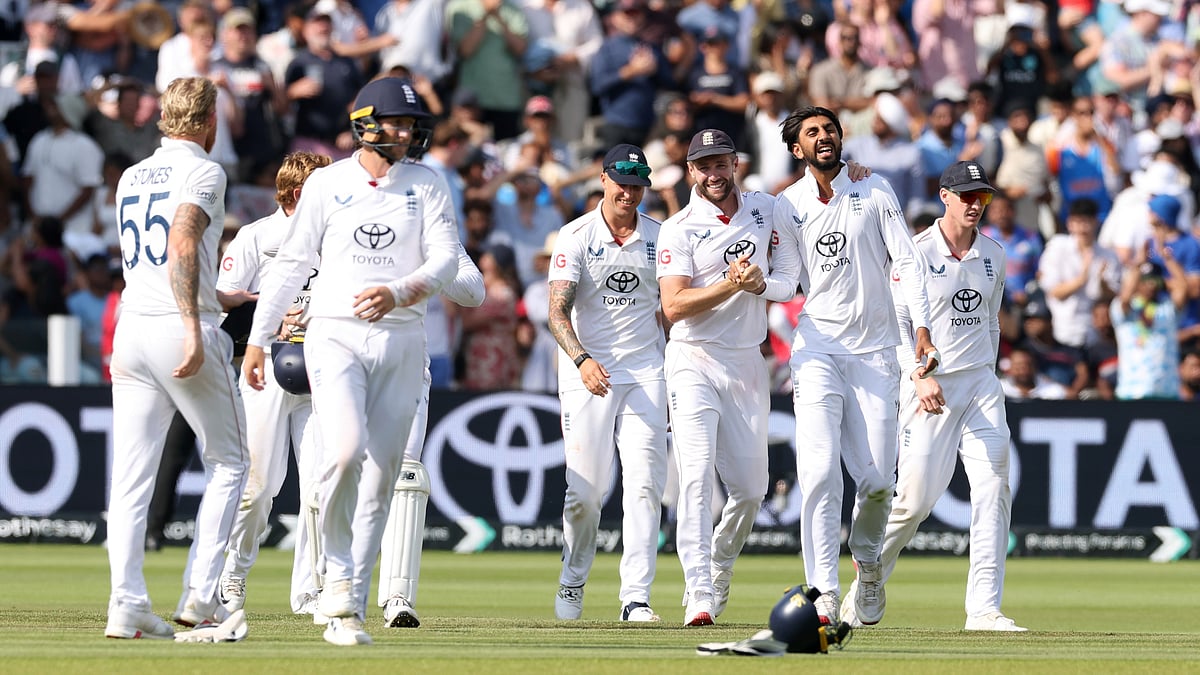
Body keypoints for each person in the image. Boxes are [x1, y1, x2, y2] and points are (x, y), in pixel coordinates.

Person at [242, 77, 459, 647]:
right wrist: (259, 340)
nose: (407, 132)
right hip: (334, 333)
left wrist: (401, 290)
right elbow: (291, 264)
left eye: (412, 124)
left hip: (403, 338)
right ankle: (336, 583)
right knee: (341, 454)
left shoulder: (428, 185)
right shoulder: (329, 184)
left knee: (385, 471)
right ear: (366, 123)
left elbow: (444, 262)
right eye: (397, 123)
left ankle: (351, 601)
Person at [840, 160, 1025, 632]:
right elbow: (897, 323)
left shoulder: (994, 254)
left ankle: (983, 609)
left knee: (992, 491)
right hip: (930, 384)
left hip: (981, 384)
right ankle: (869, 573)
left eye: (980, 196)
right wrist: (917, 377)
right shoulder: (916, 252)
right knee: (916, 501)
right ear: (944, 196)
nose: (974, 204)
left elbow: (990, 319)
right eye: (965, 195)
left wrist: (989, 370)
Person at [777, 106, 937, 626]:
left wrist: (921, 328)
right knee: (820, 472)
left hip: (875, 354)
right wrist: (755, 284)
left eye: (829, 129)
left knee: (877, 485)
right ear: (797, 149)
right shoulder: (787, 204)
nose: (824, 137)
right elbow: (786, 282)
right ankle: (822, 590)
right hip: (818, 350)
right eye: (812, 133)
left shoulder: (874, 189)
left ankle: (867, 564)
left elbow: (908, 262)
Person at [105, 77, 250, 640]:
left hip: (132, 328)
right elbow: (184, 241)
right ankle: (200, 599)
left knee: (130, 477)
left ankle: (126, 604)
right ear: (210, 121)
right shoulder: (205, 170)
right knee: (232, 461)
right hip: (177, 324)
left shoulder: (131, 175)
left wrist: (219, 293)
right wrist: (196, 322)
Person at [656, 129, 802, 626]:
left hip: (746, 361)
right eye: (704, 166)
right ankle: (698, 591)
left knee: (751, 490)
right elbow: (673, 307)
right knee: (695, 476)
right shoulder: (678, 228)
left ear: (735, 163)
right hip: (692, 357)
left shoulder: (767, 207)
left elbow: (788, 276)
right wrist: (730, 285)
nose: (714, 174)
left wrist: (764, 284)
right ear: (691, 171)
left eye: (721, 164)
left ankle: (719, 563)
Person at [548, 144, 667, 622]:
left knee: (644, 485)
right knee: (585, 491)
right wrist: (582, 359)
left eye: (638, 182)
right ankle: (573, 581)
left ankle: (635, 597)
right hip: (587, 371)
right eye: (622, 180)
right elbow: (556, 311)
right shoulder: (575, 235)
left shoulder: (662, 236)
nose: (629, 191)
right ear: (602, 179)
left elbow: (674, 306)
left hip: (646, 371)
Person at [215, 151, 332, 615]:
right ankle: (234, 572)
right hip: (262, 370)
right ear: (300, 193)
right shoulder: (255, 236)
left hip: (322, 370)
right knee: (260, 486)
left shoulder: (336, 239)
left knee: (321, 487)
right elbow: (222, 300)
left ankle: (309, 590)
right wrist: (267, 313)